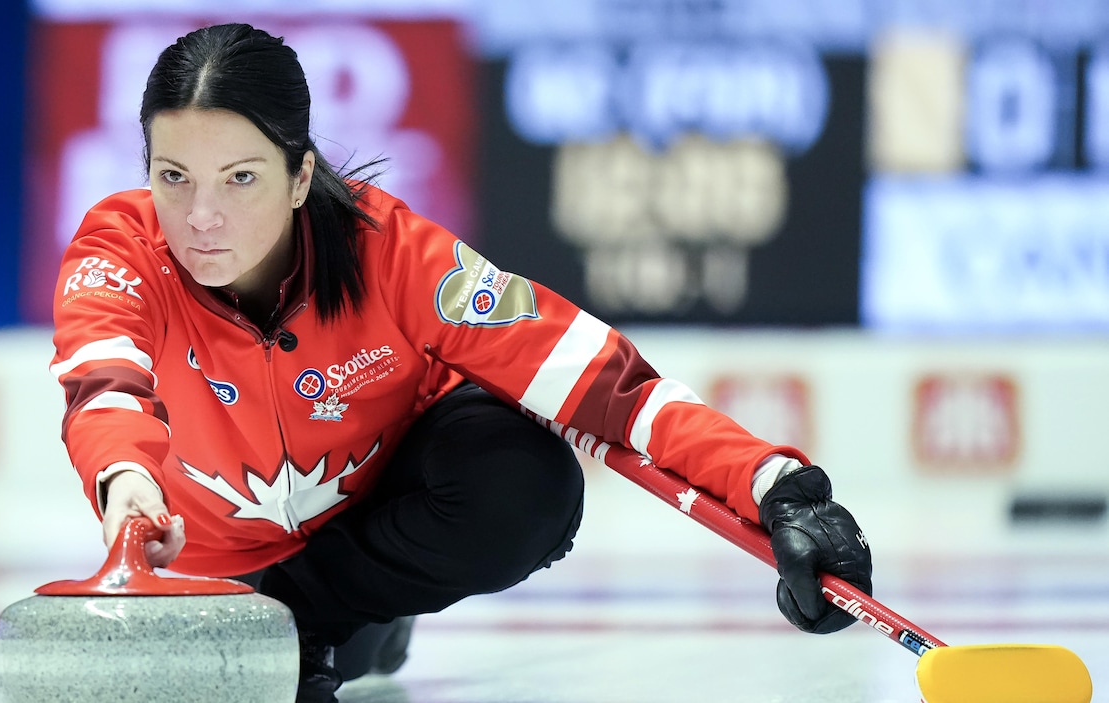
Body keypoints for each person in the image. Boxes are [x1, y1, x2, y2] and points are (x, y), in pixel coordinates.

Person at [49, 22, 872, 703]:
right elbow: (102, 380)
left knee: (528, 482)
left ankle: (313, 617)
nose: (201, 217)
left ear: (302, 176)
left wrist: (773, 487)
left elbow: (599, 381)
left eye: (240, 178)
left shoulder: (394, 253)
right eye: (173, 176)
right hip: (217, 566)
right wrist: (128, 485)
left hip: (362, 530)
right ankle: (328, 621)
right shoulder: (119, 249)